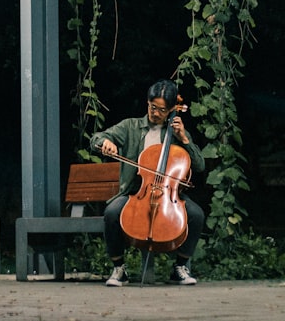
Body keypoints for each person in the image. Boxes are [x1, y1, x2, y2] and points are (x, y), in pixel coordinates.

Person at [88, 79, 206, 286]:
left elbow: (199, 166)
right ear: (147, 103)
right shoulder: (130, 126)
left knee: (196, 215)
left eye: (162, 109)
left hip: (169, 194)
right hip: (135, 192)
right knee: (112, 212)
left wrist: (185, 140)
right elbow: (97, 138)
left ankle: (180, 266)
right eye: (152, 107)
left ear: (171, 110)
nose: (156, 113)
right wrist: (104, 142)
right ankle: (119, 268)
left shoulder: (177, 135)